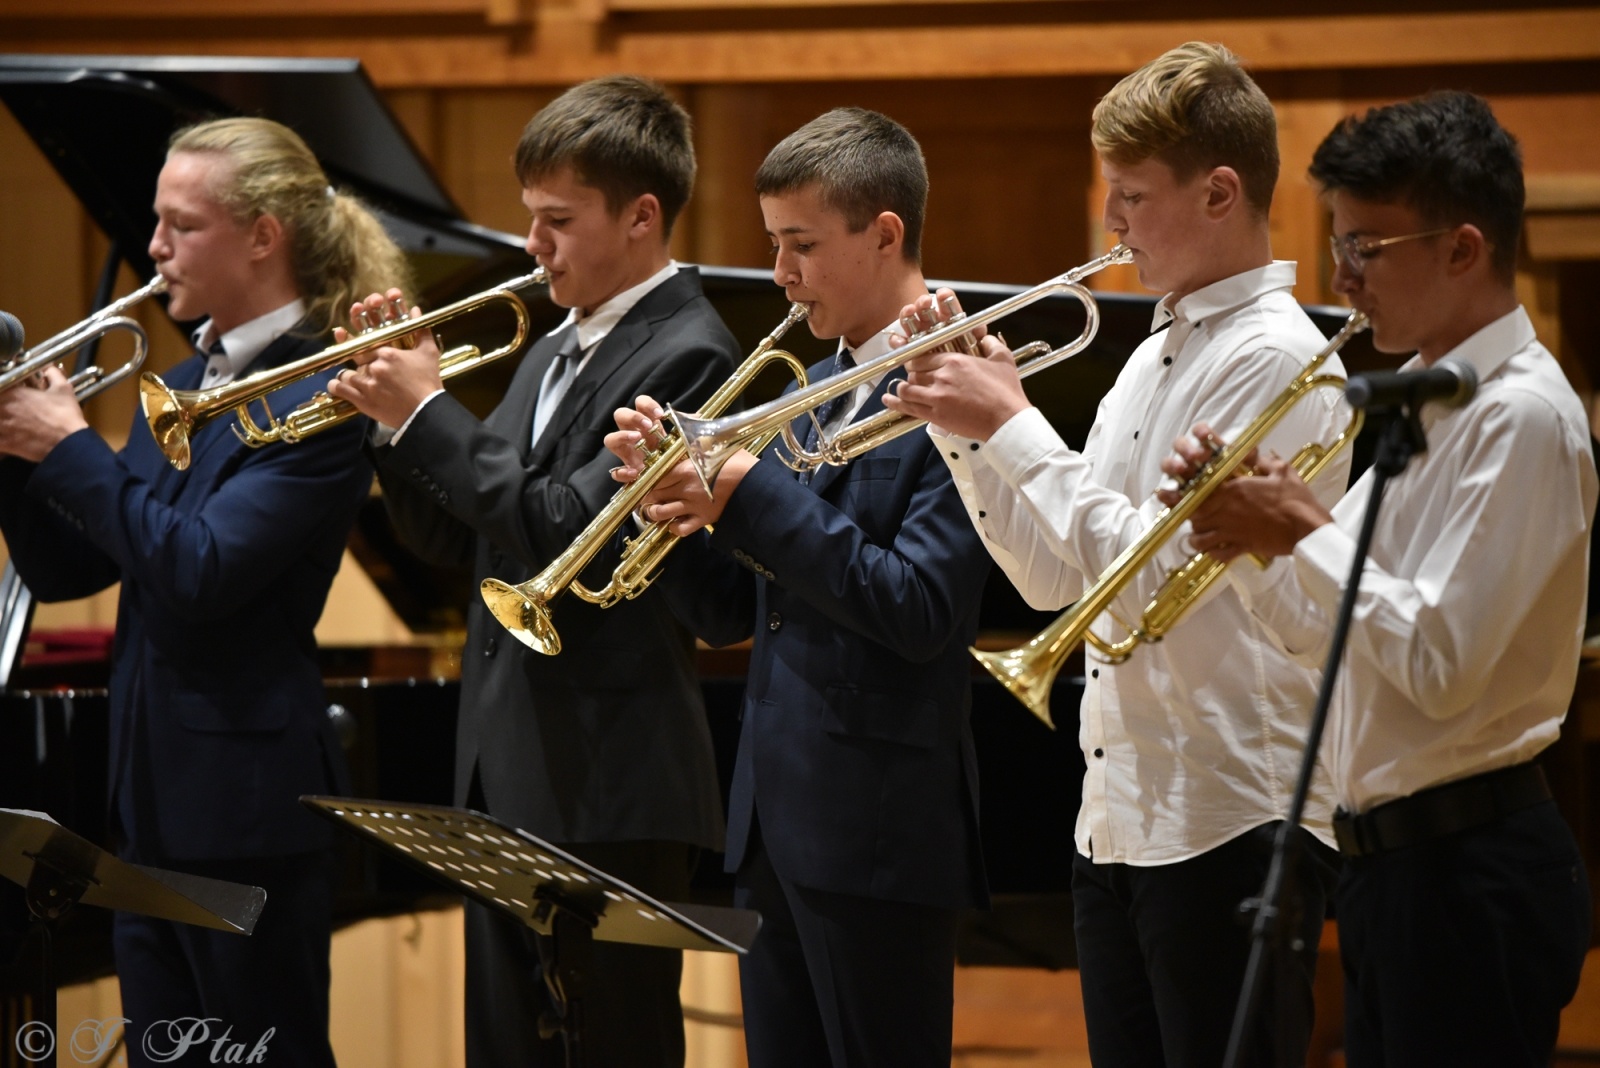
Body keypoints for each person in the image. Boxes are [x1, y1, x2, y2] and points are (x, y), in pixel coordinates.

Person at [881, 42, 1351, 1067]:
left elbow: (1146, 575)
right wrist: (962, 424)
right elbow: (1059, 583)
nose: (1112, 226)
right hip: (1120, 820)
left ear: (1220, 191)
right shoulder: (1150, 351)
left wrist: (1013, 426)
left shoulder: (1273, 353)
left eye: (1132, 195)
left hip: (1231, 816)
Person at [1162, 90, 1595, 1067]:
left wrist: (1300, 525)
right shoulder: (1424, 404)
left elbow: (1438, 662)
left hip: (1468, 867)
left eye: (1367, 249)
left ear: (1461, 248)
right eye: (1339, 247)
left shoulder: (1519, 416)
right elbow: (1320, 630)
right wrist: (1236, 541)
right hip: (1392, 866)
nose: (1344, 280)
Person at [324, 75, 738, 1067]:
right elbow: (455, 541)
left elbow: (562, 528)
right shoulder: (555, 346)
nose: (532, 245)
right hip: (513, 769)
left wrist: (432, 412)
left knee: (613, 1047)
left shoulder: (689, 350)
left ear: (641, 217)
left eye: (557, 220)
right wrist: (392, 426)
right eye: (530, 219)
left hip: (609, 778)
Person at [0, 117, 410, 1066]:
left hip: (247, 813)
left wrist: (67, 446)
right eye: (157, 222)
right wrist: (16, 459)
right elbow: (75, 569)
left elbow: (199, 570)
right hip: (146, 805)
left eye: (179, 226)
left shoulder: (323, 399)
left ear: (262, 236)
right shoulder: (182, 382)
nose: (152, 248)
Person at [606, 107, 991, 1068]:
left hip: (878, 833)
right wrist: (681, 516)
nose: (779, 273)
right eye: (775, 244)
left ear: (886, 232)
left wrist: (753, 493)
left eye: (801, 245)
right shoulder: (812, 384)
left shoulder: (964, 382)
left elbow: (920, 609)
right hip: (773, 825)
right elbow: (743, 611)